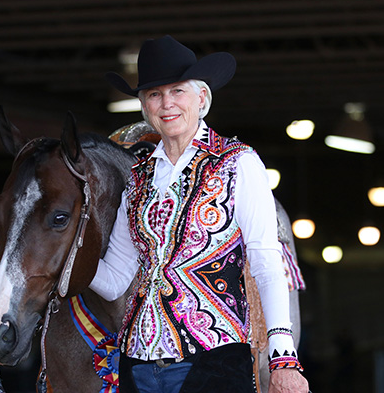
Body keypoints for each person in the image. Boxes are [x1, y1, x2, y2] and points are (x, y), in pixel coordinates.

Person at [89, 35, 309, 393]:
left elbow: (266, 262)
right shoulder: (138, 178)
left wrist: (284, 359)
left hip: (213, 362)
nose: (166, 104)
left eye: (177, 91)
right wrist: (66, 256)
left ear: (202, 98)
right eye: (154, 95)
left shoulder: (238, 163)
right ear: (145, 107)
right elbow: (114, 278)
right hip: (136, 365)